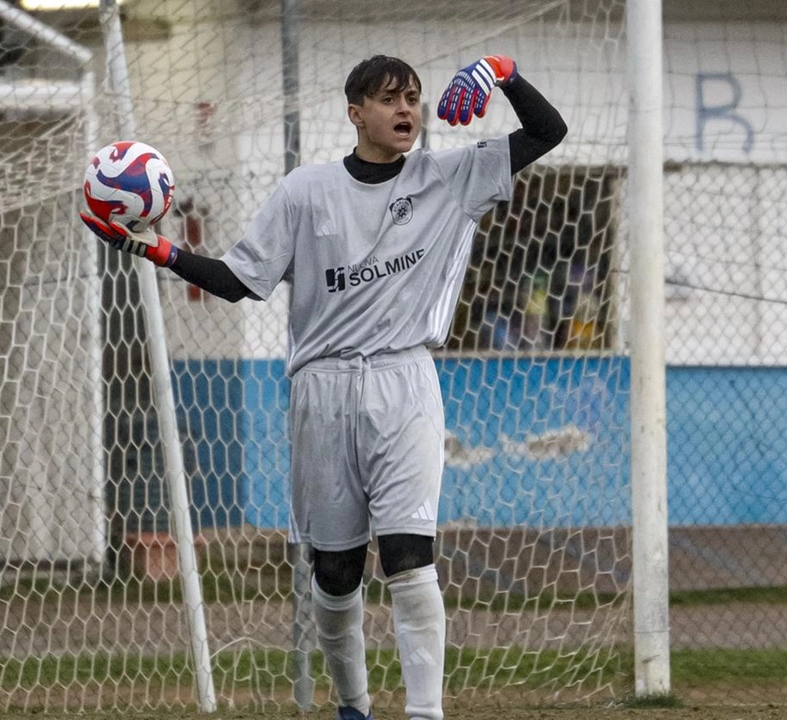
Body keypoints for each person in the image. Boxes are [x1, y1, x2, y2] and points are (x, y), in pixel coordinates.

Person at [82, 54, 566, 720]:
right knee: (335, 574)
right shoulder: (304, 191)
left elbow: (548, 133)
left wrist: (505, 72)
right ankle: (353, 706)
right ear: (355, 112)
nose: (406, 110)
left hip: (405, 381)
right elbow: (237, 281)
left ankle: (426, 714)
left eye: (414, 98)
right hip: (322, 390)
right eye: (390, 98)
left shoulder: (449, 177)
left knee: (408, 555)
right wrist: (153, 249)